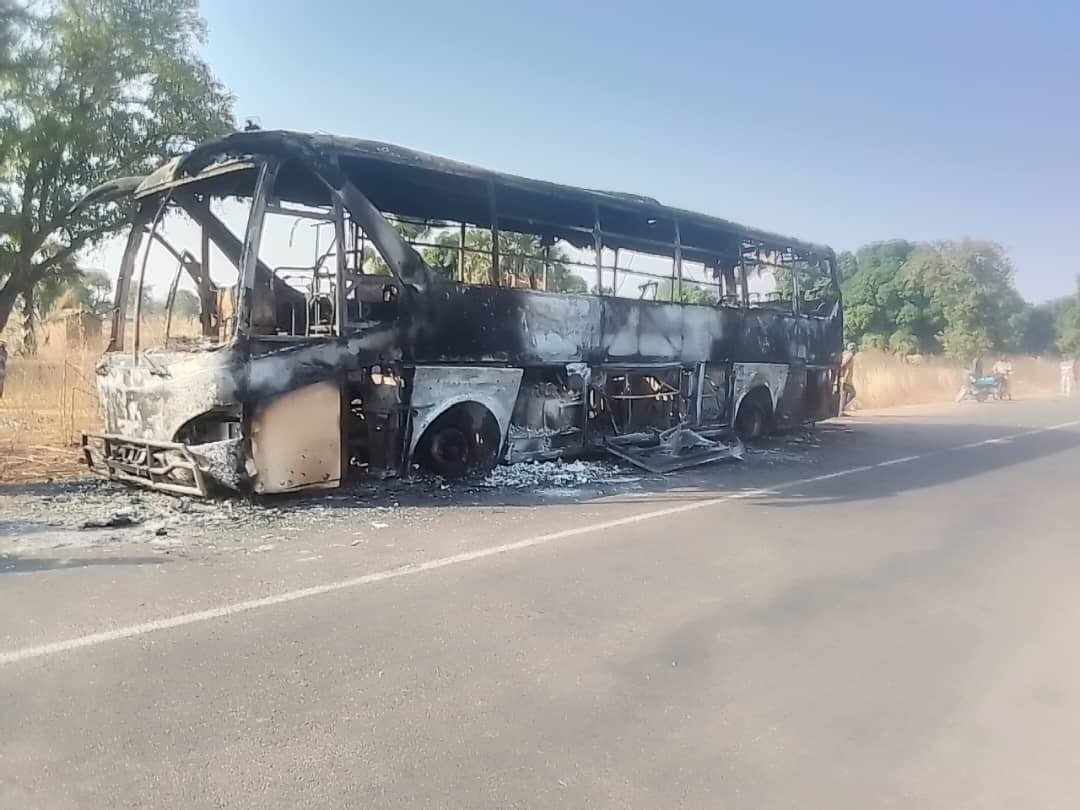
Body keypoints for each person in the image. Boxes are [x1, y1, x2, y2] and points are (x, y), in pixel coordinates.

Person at [840, 342, 857, 413]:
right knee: (852, 393)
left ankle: (841, 410)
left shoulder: (848, 355)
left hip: (846, 379)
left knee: (845, 394)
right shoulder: (849, 355)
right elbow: (843, 364)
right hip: (846, 379)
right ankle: (841, 409)